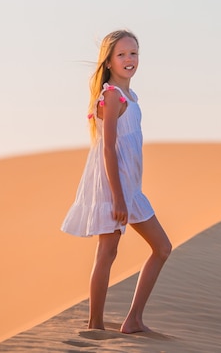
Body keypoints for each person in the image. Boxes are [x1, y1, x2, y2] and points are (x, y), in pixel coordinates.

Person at [61, 29, 172, 333]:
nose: (129, 59)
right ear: (109, 62)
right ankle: (95, 326)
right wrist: (118, 197)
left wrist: (128, 194)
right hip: (113, 188)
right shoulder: (111, 95)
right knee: (107, 252)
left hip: (131, 189)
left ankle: (133, 319)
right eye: (121, 54)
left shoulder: (130, 97)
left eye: (133, 53)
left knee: (162, 248)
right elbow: (108, 147)